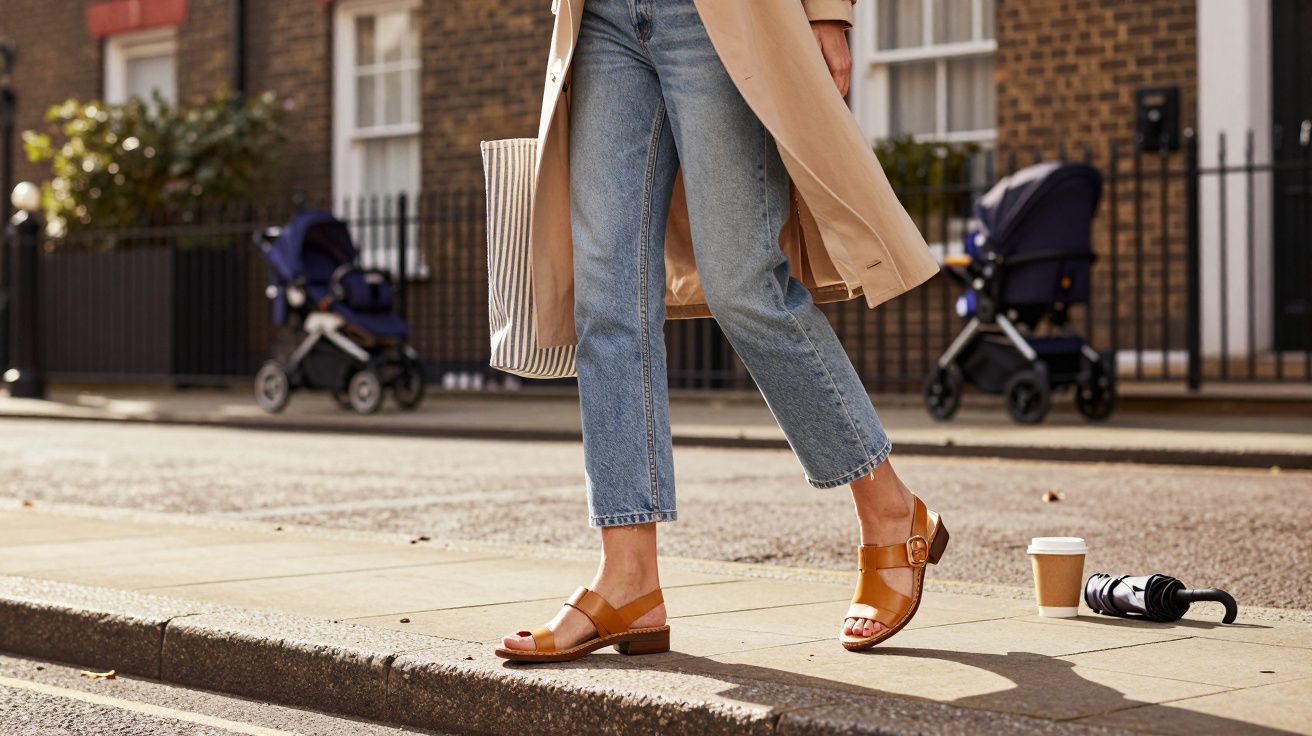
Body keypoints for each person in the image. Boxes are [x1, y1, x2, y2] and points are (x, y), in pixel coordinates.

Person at [497, 0, 947, 662]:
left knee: (744, 287)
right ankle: (629, 581)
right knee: (607, 301)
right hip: (601, 22)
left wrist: (827, 15)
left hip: (715, 17)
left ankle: (889, 509)